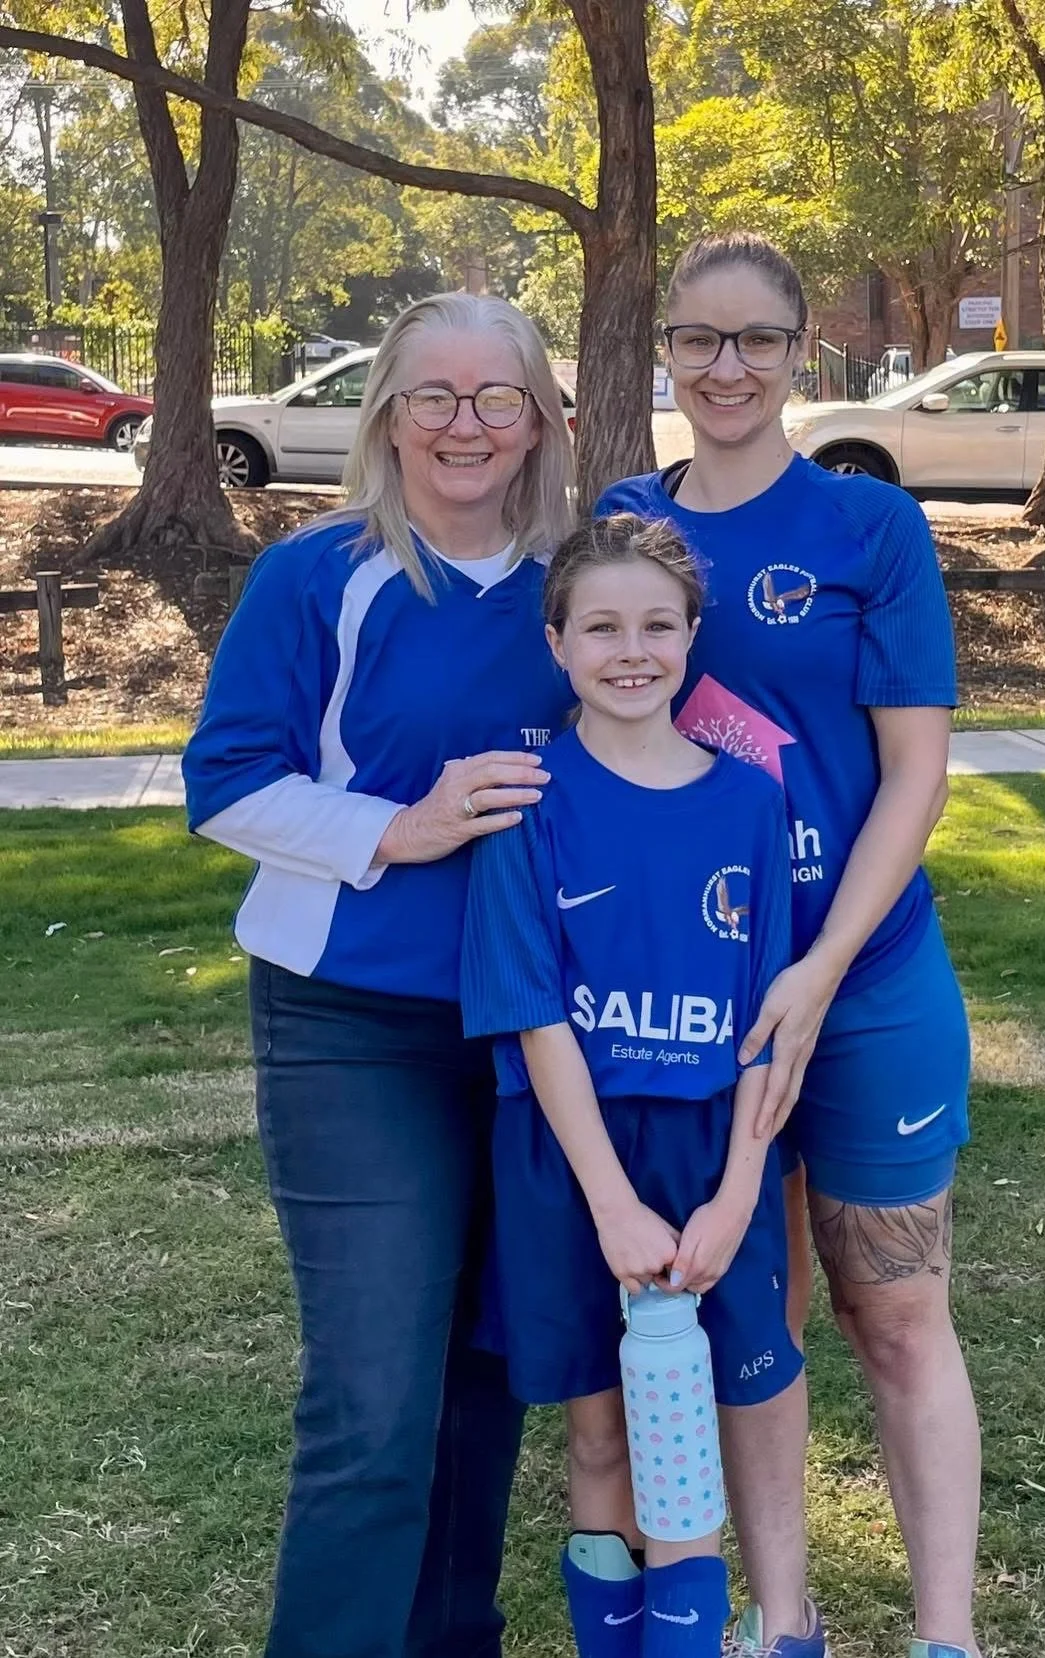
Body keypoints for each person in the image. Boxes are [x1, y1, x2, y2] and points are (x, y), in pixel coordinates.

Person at [597, 231, 977, 1658]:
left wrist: (821, 969)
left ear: (800, 352)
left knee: (897, 1313)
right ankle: (785, 1621)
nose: (726, 366)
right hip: (699, 1001)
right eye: (698, 338)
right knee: (750, 1323)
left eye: (755, 339)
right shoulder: (629, 520)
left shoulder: (868, 528)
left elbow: (914, 774)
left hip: (862, 982)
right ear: (667, 353)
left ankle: (945, 1635)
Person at [181, 292, 576, 1658]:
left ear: (540, 420)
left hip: (534, 1027)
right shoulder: (318, 574)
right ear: (387, 417)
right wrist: (399, 829)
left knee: (485, 1373)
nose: (466, 425)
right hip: (352, 1021)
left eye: (497, 397)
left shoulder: (580, 582)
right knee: (374, 1396)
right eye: (433, 396)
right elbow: (226, 780)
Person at [459, 514, 822, 1658]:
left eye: (656, 625)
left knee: (683, 1434)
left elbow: (766, 1025)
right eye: (601, 627)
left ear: (691, 636)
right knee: (603, 1438)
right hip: (574, 1160)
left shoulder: (748, 798)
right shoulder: (525, 797)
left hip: (713, 1151)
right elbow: (532, 1015)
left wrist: (736, 1191)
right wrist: (612, 1206)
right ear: (556, 642)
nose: (631, 651)